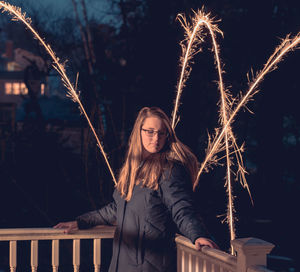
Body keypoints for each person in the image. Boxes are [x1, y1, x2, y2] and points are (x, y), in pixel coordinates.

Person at [54, 106, 218, 272]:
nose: (156, 138)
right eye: (150, 131)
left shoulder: (168, 170)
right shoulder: (132, 169)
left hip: (150, 266)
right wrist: (80, 222)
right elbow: (115, 209)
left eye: (162, 133)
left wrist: (198, 234)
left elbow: (182, 208)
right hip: (122, 263)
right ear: (139, 131)